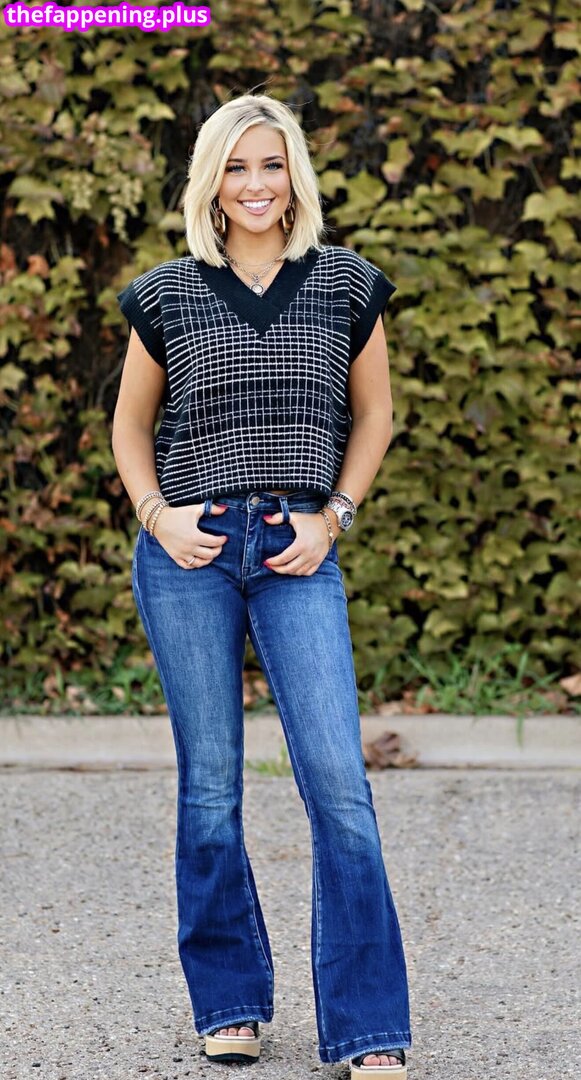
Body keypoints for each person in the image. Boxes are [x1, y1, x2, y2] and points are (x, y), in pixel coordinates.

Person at [112, 91, 412, 1078]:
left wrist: (336, 517)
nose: (254, 185)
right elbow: (129, 428)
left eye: (271, 165)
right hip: (188, 553)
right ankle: (230, 1004)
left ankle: (367, 1028)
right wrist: (158, 517)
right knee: (209, 787)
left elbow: (374, 415)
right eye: (235, 167)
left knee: (337, 783)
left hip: (297, 549)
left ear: (295, 178)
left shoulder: (343, 283)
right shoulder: (167, 294)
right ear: (211, 182)